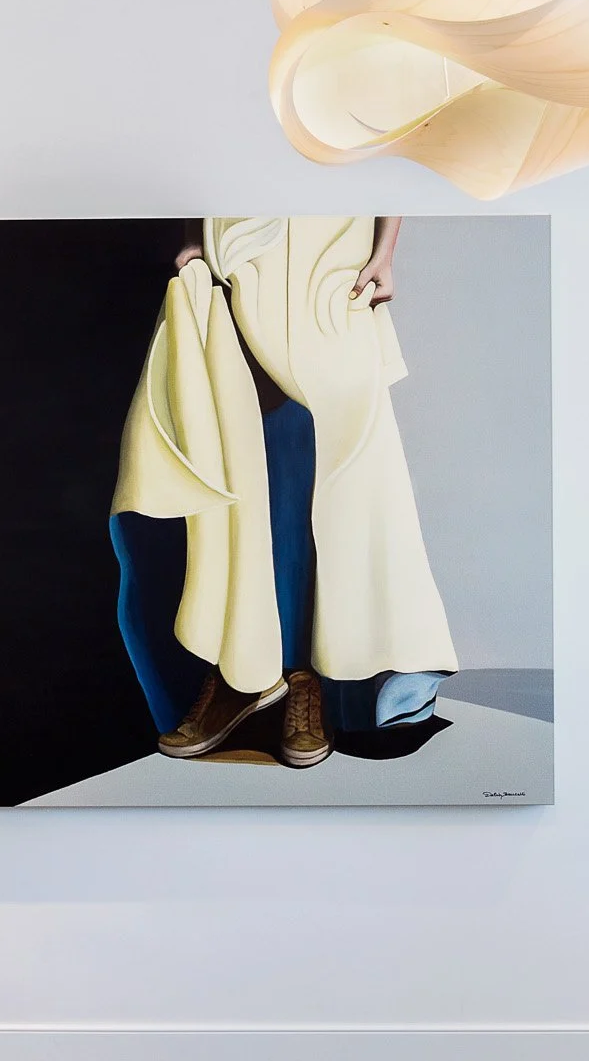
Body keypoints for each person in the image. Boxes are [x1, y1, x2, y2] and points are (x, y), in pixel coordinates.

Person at [109, 216, 459, 768]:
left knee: (336, 475)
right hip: (243, 242)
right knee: (238, 453)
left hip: (331, 249)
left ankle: (305, 678)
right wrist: (190, 238)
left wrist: (387, 250)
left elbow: (390, 149)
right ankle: (243, 672)